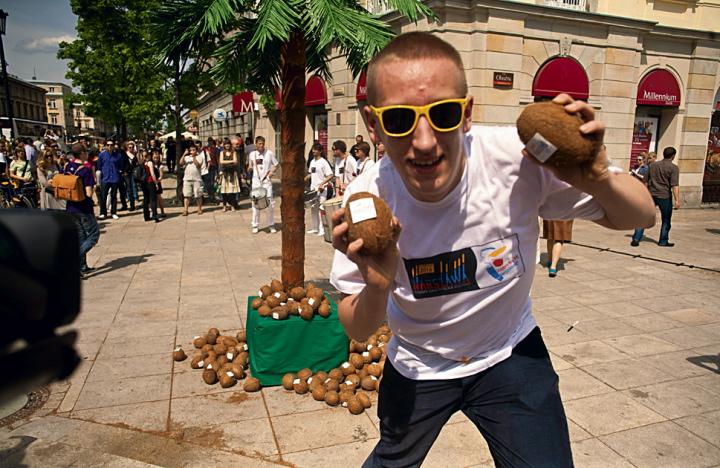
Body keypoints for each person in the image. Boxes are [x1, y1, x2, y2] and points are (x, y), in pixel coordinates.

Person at [329, 32, 655, 467]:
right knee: (392, 460)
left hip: (510, 352)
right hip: (420, 363)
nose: (424, 141)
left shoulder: (519, 161)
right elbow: (356, 326)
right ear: (373, 126)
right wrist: (378, 286)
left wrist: (598, 179)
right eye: (400, 119)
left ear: (466, 114)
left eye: (443, 114)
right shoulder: (368, 199)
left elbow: (640, 216)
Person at [631, 146, 680, 247]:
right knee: (666, 219)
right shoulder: (674, 168)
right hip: (664, 196)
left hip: (651, 194)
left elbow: (645, 180)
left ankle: (636, 238)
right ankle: (663, 241)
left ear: (663, 154)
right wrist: (677, 200)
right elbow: (674, 185)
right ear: (673, 156)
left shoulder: (653, 165)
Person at [63, 143, 99, 278]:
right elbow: (88, 193)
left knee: (81, 236)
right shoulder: (85, 170)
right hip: (84, 208)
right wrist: (94, 188)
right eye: (86, 152)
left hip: (70, 207)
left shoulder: (67, 166)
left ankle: (82, 267)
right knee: (93, 235)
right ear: (82, 153)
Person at [248, 136, 278, 234]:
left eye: (263, 143)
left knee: (270, 204)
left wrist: (270, 174)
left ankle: (271, 224)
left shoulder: (269, 153)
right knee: (255, 204)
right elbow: (250, 165)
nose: (261, 145)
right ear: (256, 144)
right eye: (259, 143)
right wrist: (249, 168)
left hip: (266, 182)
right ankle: (255, 225)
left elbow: (276, 164)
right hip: (256, 182)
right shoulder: (252, 154)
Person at [305, 143, 334, 236]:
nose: (313, 151)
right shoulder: (312, 162)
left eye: (315, 149)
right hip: (313, 189)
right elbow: (311, 173)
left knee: (321, 209)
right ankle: (315, 228)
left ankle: (322, 229)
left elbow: (330, 175)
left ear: (320, 151)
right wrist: (305, 178)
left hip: (322, 189)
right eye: (313, 149)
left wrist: (322, 183)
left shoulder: (323, 162)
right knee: (313, 209)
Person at [97, 140, 123, 220]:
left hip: (115, 178)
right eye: (108, 145)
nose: (110, 146)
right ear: (106, 146)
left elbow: (120, 166)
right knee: (103, 196)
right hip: (105, 178)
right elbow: (99, 166)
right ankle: (103, 213)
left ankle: (113, 212)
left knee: (114, 196)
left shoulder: (118, 155)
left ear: (114, 146)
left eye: (111, 145)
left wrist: (118, 172)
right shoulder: (102, 155)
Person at [179, 144, 205, 216]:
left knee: (198, 195)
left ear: (196, 150)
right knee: (186, 195)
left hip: (197, 179)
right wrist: (184, 154)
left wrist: (193, 157)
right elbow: (181, 163)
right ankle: (185, 210)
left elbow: (198, 165)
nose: (192, 151)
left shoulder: (200, 157)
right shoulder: (187, 157)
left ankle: (199, 209)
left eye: (193, 150)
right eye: (190, 150)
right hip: (187, 178)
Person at [219, 140, 240, 211]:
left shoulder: (234, 152)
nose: (227, 145)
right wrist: (231, 161)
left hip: (232, 173)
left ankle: (232, 205)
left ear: (230, 145)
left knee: (232, 191)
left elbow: (236, 161)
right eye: (225, 144)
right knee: (224, 191)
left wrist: (226, 162)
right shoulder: (222, 152)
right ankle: (224, 206)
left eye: (228, 144)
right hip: (225, 173)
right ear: (224, 145)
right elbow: (221, 161)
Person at [141, 149, 161, 223]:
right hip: (150, 182)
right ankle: (155, 216)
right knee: (153, 199)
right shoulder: (150, 163)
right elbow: (152, 174)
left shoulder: (142, 163)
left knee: (146, 199)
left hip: (143, 182)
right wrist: (156, 183)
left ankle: (146, 216)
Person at [119, 141, 138, 211]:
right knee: (122, 190)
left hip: (129, 174)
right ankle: (124, 205)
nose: (131, 148)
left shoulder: (135, 155)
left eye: (132, 147)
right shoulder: (123, 154)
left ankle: (132, 205)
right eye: (129, 147)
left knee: (130, 190)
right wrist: (121, 171)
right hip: (123, 174)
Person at [152, 149, 166, 219]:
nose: (156, 159)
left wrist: (157, 181)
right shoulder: (150, 163)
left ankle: (162, 211)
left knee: (159, 197)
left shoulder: (160, 165)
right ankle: (154, 212)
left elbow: (161, 175)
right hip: (150, 183)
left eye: (157, 157)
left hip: (157, 182)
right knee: (152, 198)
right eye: (154, 157)